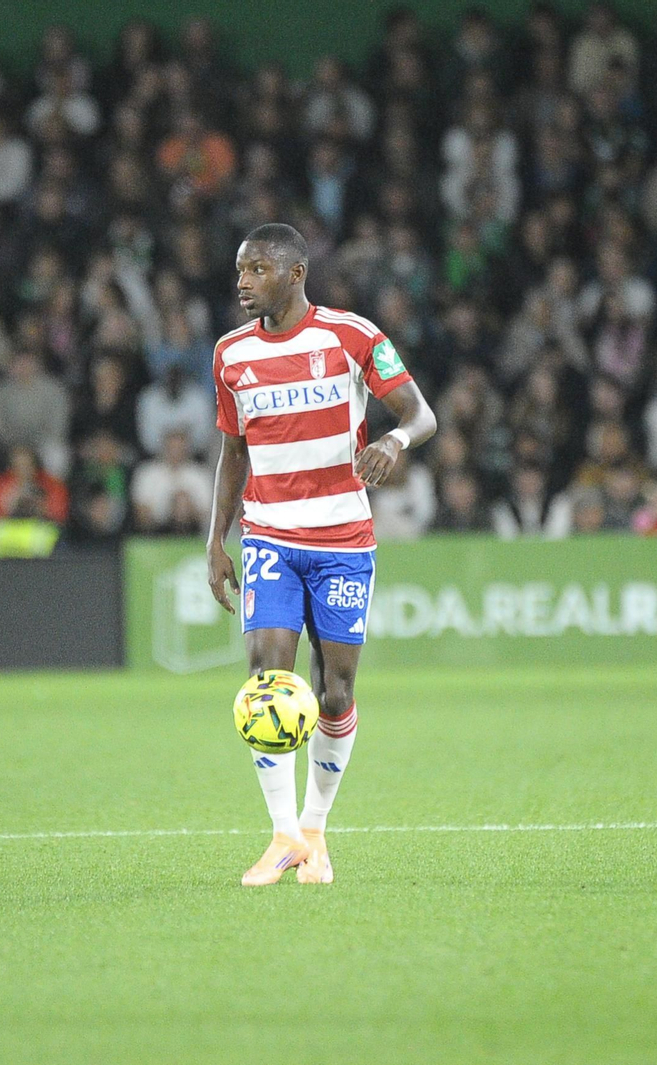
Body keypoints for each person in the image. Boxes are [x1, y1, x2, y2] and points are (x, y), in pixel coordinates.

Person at [205, 224, 437, 887]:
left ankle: (314, 829)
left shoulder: (350, 336)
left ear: (297, 273)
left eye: (257, 269)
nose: (243, 282)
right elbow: (233, 452)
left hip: (342, 540)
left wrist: (394, 442)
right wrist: (216, 540)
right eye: (241, 270)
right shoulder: (230, 354)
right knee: (266, 679)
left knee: (335, 691)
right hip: (270, 536)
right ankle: (282, 834)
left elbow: (421, 415)